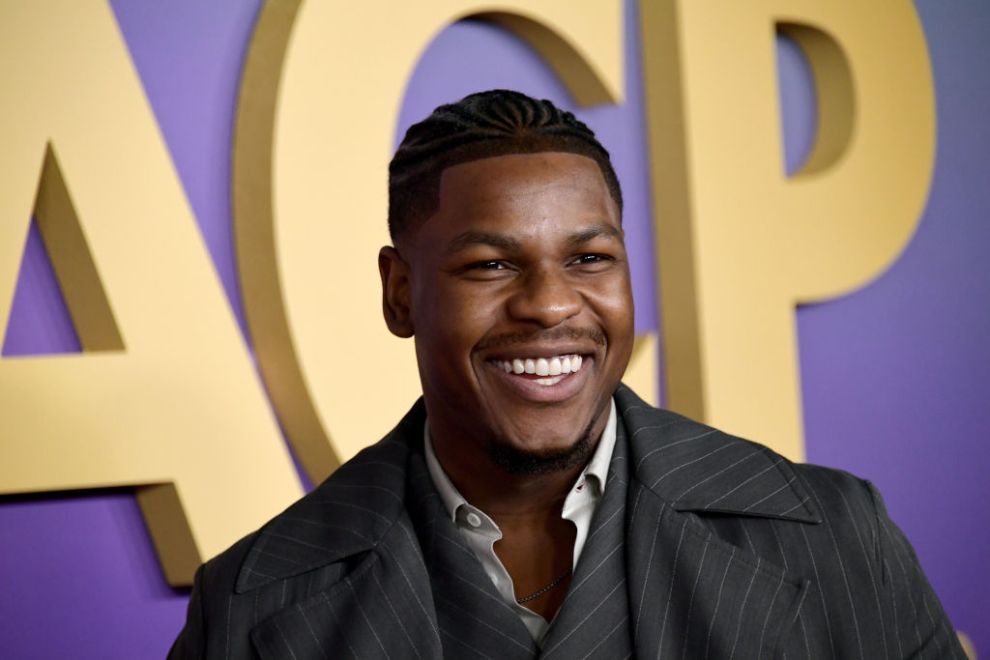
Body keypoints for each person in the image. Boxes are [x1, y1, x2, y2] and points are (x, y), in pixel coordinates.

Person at [170, 90, 964, 658]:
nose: (551, 305)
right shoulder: (249, 605)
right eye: (490, 264)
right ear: (400, 291)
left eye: (589, 259)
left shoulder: (837, 538)